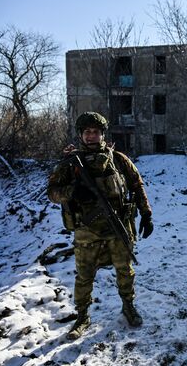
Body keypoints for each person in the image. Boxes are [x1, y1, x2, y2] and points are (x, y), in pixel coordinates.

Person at [48, 112, 154, 340]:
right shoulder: (70, 164)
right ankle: (82, 316)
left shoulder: (118, 159)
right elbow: (52, 192)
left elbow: (137, 186)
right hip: (87, 230)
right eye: (87, 132)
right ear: (81, 134)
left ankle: (128, 306)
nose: (91, 136)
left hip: (118, 227)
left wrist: (146, 214)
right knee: (84, 276)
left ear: (102, 134)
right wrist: (72, 191)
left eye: (96, 132)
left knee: (125, 271)